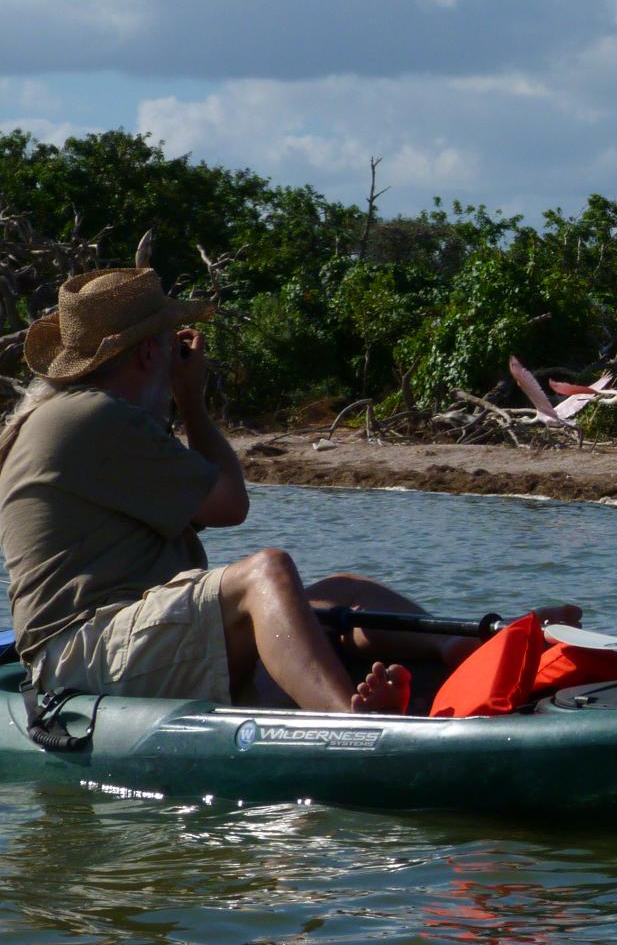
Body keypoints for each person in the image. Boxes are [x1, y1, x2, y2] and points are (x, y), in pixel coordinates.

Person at [0, 268, 553, 713]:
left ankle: (462, 649)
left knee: (342, 591)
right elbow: (229, 505)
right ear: (148, 354)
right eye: (169, 342)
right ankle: (349, 721)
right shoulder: (96, 419)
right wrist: (192, 402)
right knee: (266, 573)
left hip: (122, 637)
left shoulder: (82, 418)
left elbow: (209, 508)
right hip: (82, 652)